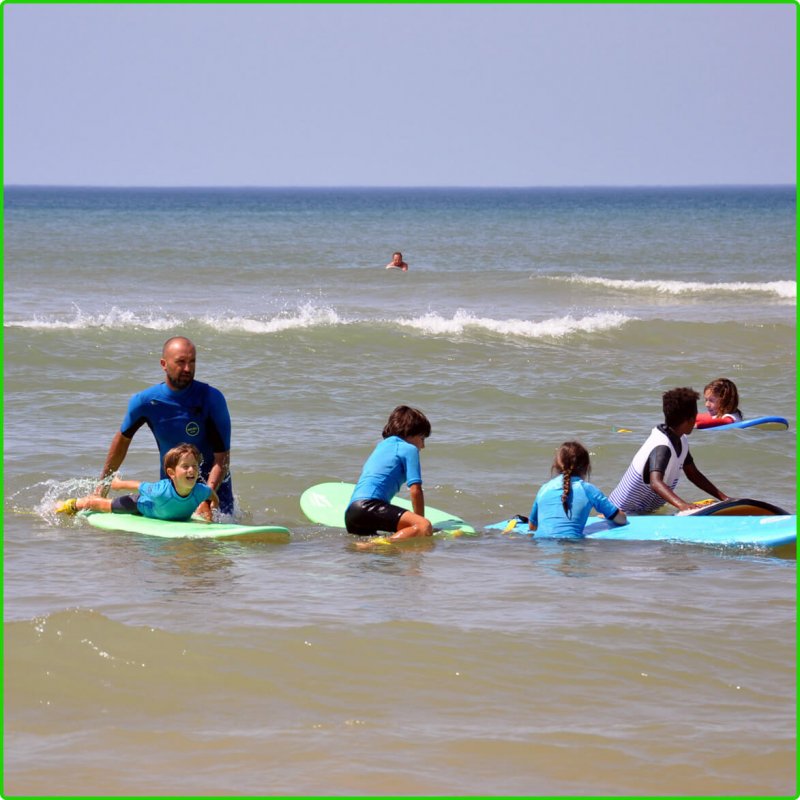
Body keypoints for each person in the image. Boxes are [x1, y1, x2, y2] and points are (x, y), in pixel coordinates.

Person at [95, 336, 233, 517]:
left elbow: (222, 458)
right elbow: (122, 441)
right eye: (181, 362)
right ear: (164, 364)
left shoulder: (212, 399)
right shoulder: (145, 401)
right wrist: (103, 484)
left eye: (192, 362)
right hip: (172, 489)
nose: (187, 368)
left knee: (216, 543)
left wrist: (205, 499)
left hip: (214, 488)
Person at [609, 387, 731, 514]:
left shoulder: (680, 440)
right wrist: (683, 506)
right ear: (690, 419)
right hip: (619, 513)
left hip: (642, 513)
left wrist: (725, 499)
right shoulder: (662, 445)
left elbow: (693, 474)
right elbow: (655, 482)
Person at [57, 443, 219, 522]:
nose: (191, 470)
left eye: (194, 466)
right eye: (185, 467)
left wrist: (213, 505)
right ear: (171, 473)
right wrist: (118, 484)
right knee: (102, 505)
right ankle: (71, 504)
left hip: (161, 512)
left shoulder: (200, 490)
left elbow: (211, 494)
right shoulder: (159, 491)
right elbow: (138, 486)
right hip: (140, 505)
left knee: (206, 513)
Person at [344, 405, 433, 541]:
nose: (423, 446)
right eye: (422, 438)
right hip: (369, 507)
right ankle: (378, 544)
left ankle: (373, 544)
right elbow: (416, 490)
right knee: (423, 526)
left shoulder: (382, 446)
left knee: (387, 559)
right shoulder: (409, 449)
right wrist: (420, 523)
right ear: (411, 432)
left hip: (352, 514)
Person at [528, 441, 627, 537]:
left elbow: (532, 527)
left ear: (556, 466)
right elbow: (621, 519)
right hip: (573, 547)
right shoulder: (588, 490)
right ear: (587, 467)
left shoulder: (544, 489)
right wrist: (608, 514)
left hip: (542, 548)